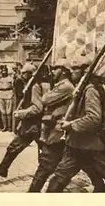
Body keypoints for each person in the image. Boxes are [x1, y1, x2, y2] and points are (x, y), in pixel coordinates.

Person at [45, 67, 105, 193]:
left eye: (76, 69)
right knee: (59, 178)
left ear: (85, 72)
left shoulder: (90, 90)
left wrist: (70, 124)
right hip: (77, 143)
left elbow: (93, 118)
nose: (71, 71)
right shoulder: (82, 88)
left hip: (91, 143)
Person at [0, 63, 47, 178]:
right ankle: (3, 169)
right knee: (14, 147)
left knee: (45, 152)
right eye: (22, 72)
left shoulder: (35, 86)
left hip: (36, 125)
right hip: (29, 124)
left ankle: (44, 175)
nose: (22, 75)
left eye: (25, 73)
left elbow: (37, 108)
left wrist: (21, 113)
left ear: (30, 74)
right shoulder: (28, 86)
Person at [27, 58, 77, 192]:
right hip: (54, 129)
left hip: (59, 130)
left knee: (45, 164)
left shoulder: (66, 86)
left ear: (64, 71)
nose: (53, 71)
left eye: (56, 68)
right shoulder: (59, 85)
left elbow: (45, 99)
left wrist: (47, 93)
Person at [0, 66, 14, 132]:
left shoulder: (10, 78)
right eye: (3, 71)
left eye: (5, 70)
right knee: (3, 112)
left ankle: (9, 127)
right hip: (1, 94)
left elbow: (13, 87)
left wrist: (12, 94)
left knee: (9, 112)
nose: (4, 72)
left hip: (8, 94)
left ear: (7, 71)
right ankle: (5, 126)